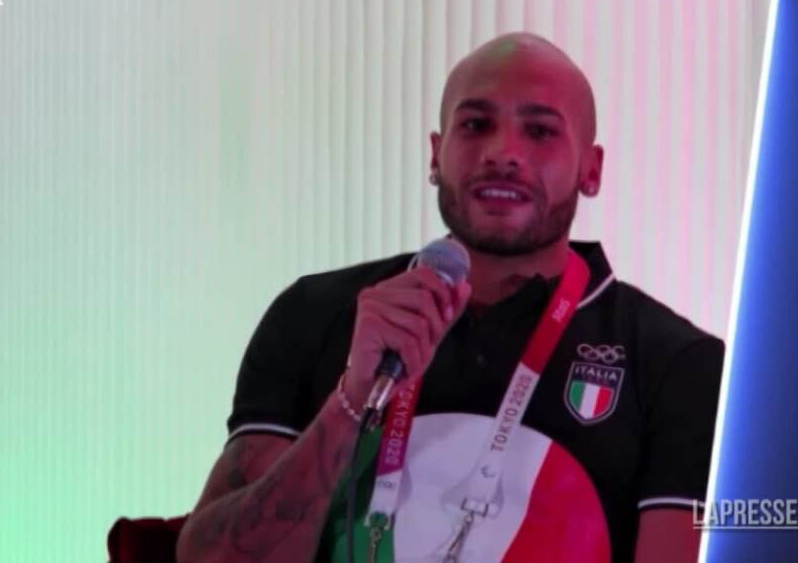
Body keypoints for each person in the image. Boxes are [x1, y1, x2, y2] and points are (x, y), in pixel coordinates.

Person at [176, 32, 723, 563]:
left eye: (539, 131)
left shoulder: (677, 362)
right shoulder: (314, 313)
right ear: (436, 156)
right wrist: (352, 398)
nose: (503, 153)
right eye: (475, 124)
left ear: (591, 170)